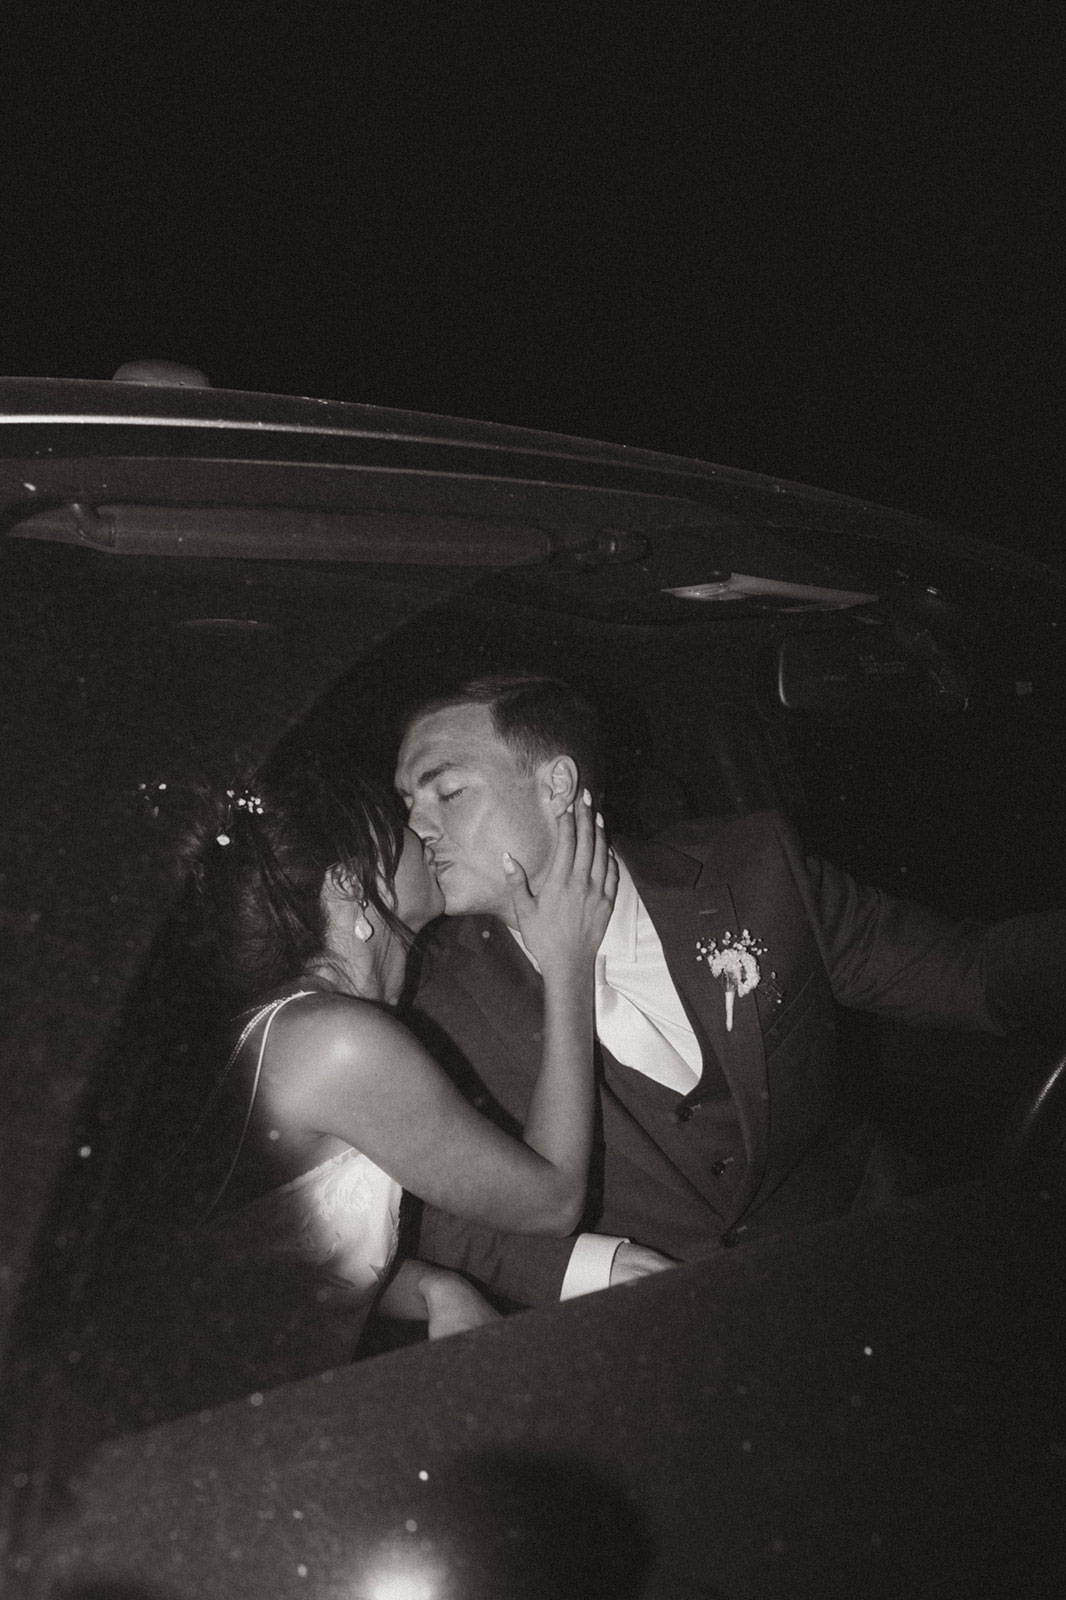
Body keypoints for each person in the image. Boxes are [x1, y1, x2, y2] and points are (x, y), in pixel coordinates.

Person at [395, 674, 1066, 1309]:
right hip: (671, 1328)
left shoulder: (751, 871)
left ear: (558, 785)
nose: (420, 828)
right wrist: (579, 1267)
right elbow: (417, 1210)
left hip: (880, 1255)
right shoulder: (433, 1003)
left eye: (447, 793)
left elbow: (970, 974)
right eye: (409, 804)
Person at [93, 742, 616, 1417]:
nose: (423, 830)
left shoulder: (298, 1030)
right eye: (400, 818)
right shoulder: (336, 1044)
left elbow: (281, 1263)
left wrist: (433, 1288)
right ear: (349, 885)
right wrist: (567, 961)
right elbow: (551, 1202)